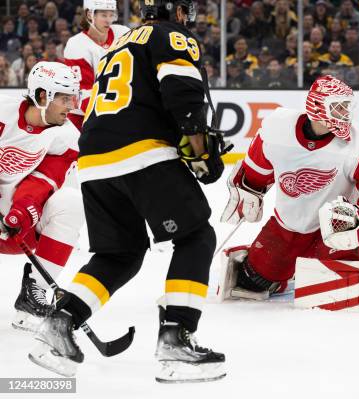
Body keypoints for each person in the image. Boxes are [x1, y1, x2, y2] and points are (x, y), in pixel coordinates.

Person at [28, 0, 228, 383]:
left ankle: (60, 322)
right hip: (142, 153)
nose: (188, 16)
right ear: (176, 9)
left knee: (120, 253)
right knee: (196, 236)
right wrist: (202, 151)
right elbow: (182, 96)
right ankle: (177, 337)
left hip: (93, 161)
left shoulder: (118, 45)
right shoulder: (172, 35)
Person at [219, 75, 359, 300]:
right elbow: (258, 166)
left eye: (347, 107)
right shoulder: (278, 127)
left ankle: (342, 264)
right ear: (318, 107)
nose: (345, 114)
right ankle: (287, 272)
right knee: (253, 281)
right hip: (287, 226)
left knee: (333, 285)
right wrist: (249, 189)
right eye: (339, 107)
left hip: (335, 230)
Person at [0, 61, 83, 332]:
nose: (71, 105)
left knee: (70, 203)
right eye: (64, 98)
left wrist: (20, 212)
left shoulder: (68, 136)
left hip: (14, 228)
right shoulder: (3, 111)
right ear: (42, 96)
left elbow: (44, 181)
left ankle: (33, 293)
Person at [63, 0, 130, 130]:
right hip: (84, 120)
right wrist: (115, 112)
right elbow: (82, 94)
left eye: (111, 15)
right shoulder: (76, 45)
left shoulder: (123, 33)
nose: (108, 20)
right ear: (89, 15)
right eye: (103, 15)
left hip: (120, 109)